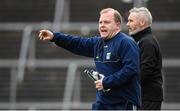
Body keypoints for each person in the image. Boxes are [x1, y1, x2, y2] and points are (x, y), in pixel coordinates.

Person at [39, 8, 141, 110]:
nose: (102, 25)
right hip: (103, 103)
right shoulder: (97, 43)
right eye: (100, 22)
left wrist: (106, 82)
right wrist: (54, 37)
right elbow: (77, 43)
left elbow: (131, 69)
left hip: (123, 104)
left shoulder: (126, 43)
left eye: (107, 22)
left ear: (118, 25)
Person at [127, 7, 163, 110]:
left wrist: (124, 82)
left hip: (148, 98)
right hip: (144, 97)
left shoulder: (147, 42)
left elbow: (145, 71)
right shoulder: (143, 40)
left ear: (142, 22)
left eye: (131, 21)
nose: (127, 24)